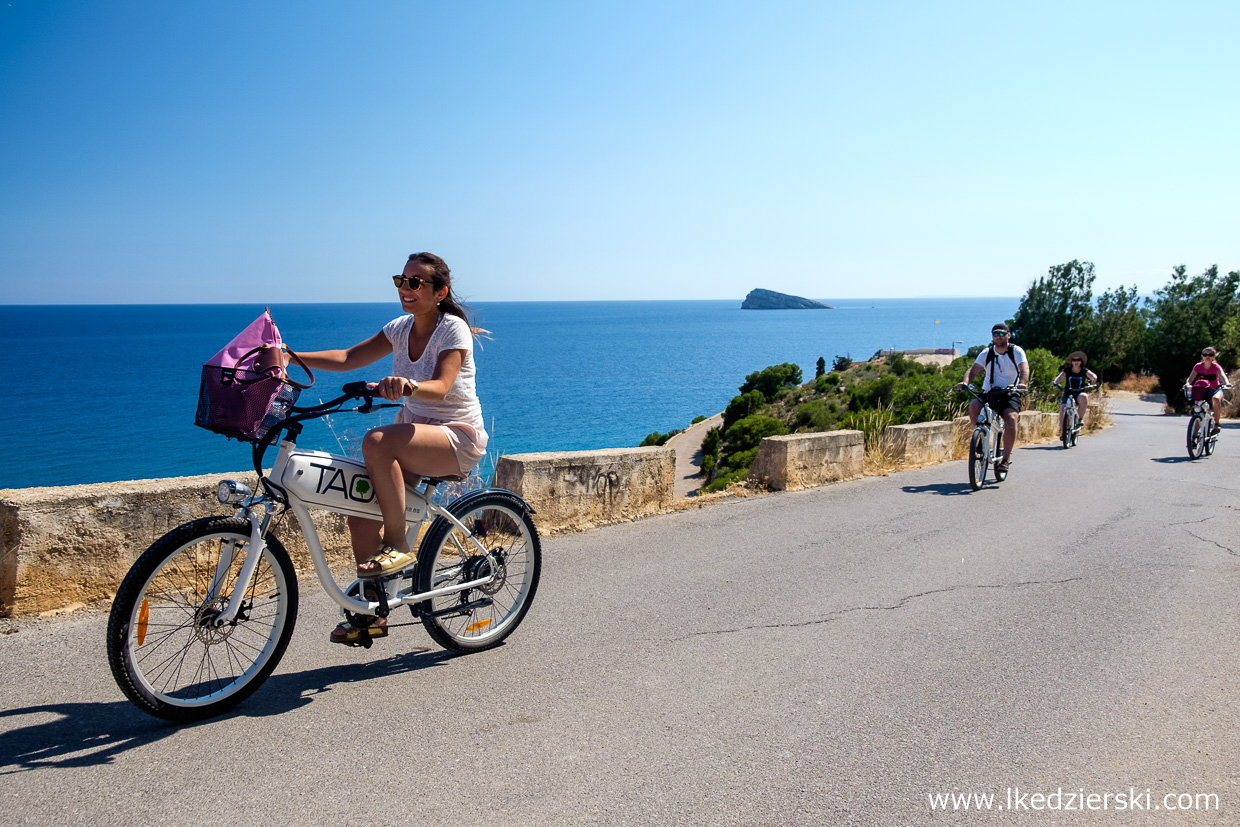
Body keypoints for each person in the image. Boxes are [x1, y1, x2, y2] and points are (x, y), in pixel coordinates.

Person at [296, 252, 488, 644]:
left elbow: (441, 386)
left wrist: (408, 385)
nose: (406, 288)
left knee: (376, 441)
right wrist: (290, 356)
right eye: (402, 280)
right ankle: (373, 612)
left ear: (440, 292)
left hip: (456, 436)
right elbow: (349, 357)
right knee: (360, 512)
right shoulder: (399, 329)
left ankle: (400, 544)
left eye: (416, 282)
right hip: (415, 433)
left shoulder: (452, 330)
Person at [956, 323, 1029, 472]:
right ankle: (979, 437)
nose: (998, 337)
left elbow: (1024, 369)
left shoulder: (1016, 351)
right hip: (990, 392)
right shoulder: (986, 353)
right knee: (974, 406)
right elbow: (973, 371)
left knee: (1011, 419)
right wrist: (965, 382)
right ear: (992, 336)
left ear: (1008, 335)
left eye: (1002, 334)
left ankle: (1006, 459)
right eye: (995, 334)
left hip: (1010, 392)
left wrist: (1022, 383)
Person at [1184, 346, 1230, 435]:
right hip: (1202, 391)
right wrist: (1187, 384)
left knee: (1216, 399)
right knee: (1198, 411)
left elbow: (1222, 375)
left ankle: (1217, 424)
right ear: (1202, 356)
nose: (1207, 356)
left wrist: (1227, 383)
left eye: (1210, 354)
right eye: (1205, 354)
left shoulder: (1216, 367)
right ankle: (1194, 436)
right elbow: (1190, 379)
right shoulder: (1198, 366)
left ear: (1214, 357)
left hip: (1215, 390)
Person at [1052, 351, 1099, 434]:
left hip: (1079, 393)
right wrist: (1055, 382)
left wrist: (1092, 381)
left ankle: (1080, 419)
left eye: (1078, 360)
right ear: (1071, 362)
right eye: (1074, 360)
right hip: (1068, 393)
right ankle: (1063, 432)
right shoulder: (1067, 371)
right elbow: (1059, 377)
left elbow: (1094, 377)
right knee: (1063, 409)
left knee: (1084, 397)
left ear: (1081, 362)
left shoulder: (1084, 371)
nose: (1076, 362)